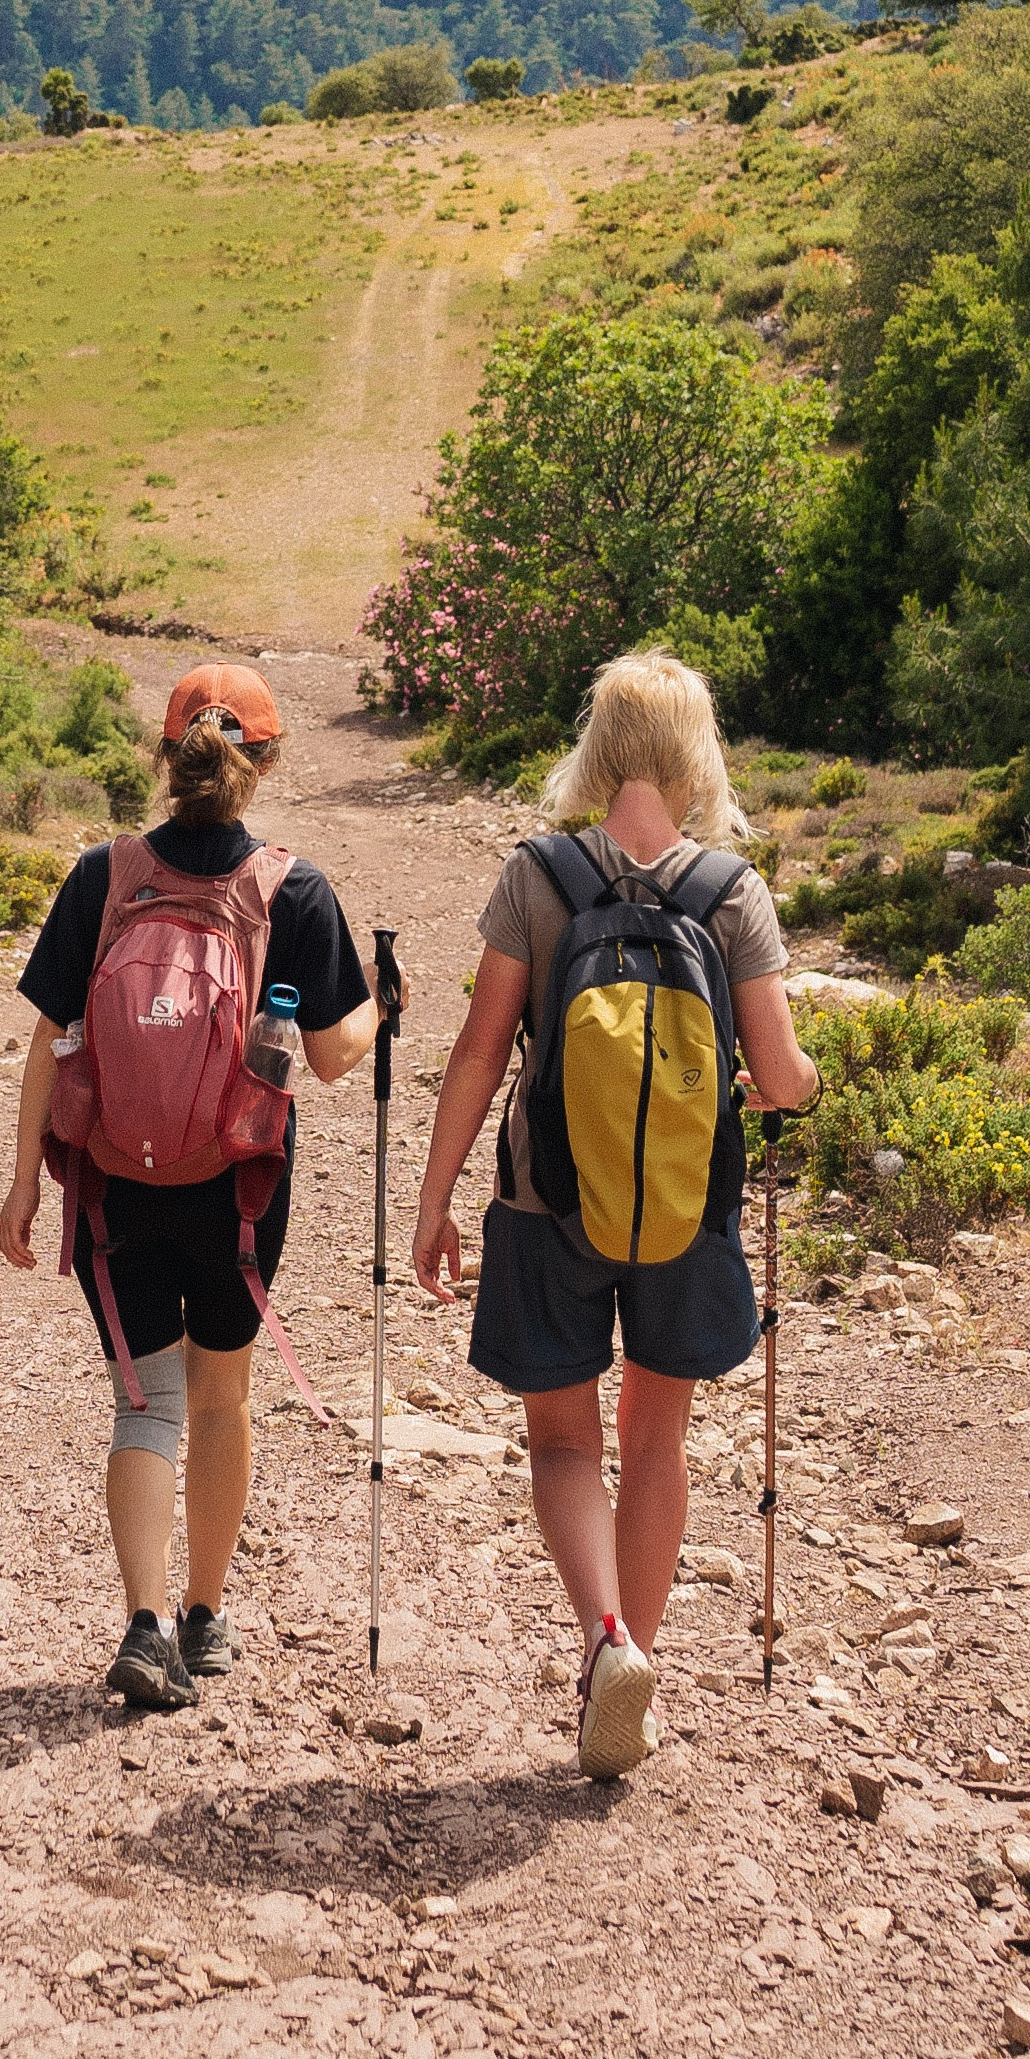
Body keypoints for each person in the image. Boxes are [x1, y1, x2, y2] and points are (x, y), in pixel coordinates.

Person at [411, 649, 821, 1780]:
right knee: (655, 1437)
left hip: (548, 1202)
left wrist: (436, 1200)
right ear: (697, 757)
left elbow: (480, 1051)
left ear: (596, 752)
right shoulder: (730, 891)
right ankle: (637, 1656)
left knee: (562, 1440)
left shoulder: (536, 876)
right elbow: (780, 1076)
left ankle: (604, 1643)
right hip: (682, 1212)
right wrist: (799, 1084)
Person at [0, 661, 378, 1709]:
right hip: (237, 1190)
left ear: (166, 756)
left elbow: (48, 1038)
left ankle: (143, 1621)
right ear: (268, 759)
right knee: (222, 1395)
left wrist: (25, 1180)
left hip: (114, 1184)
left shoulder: (103, 876)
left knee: (146, 1400)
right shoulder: (292, 888)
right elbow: (334, 1056)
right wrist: (379, 1005)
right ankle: (205, 1617)